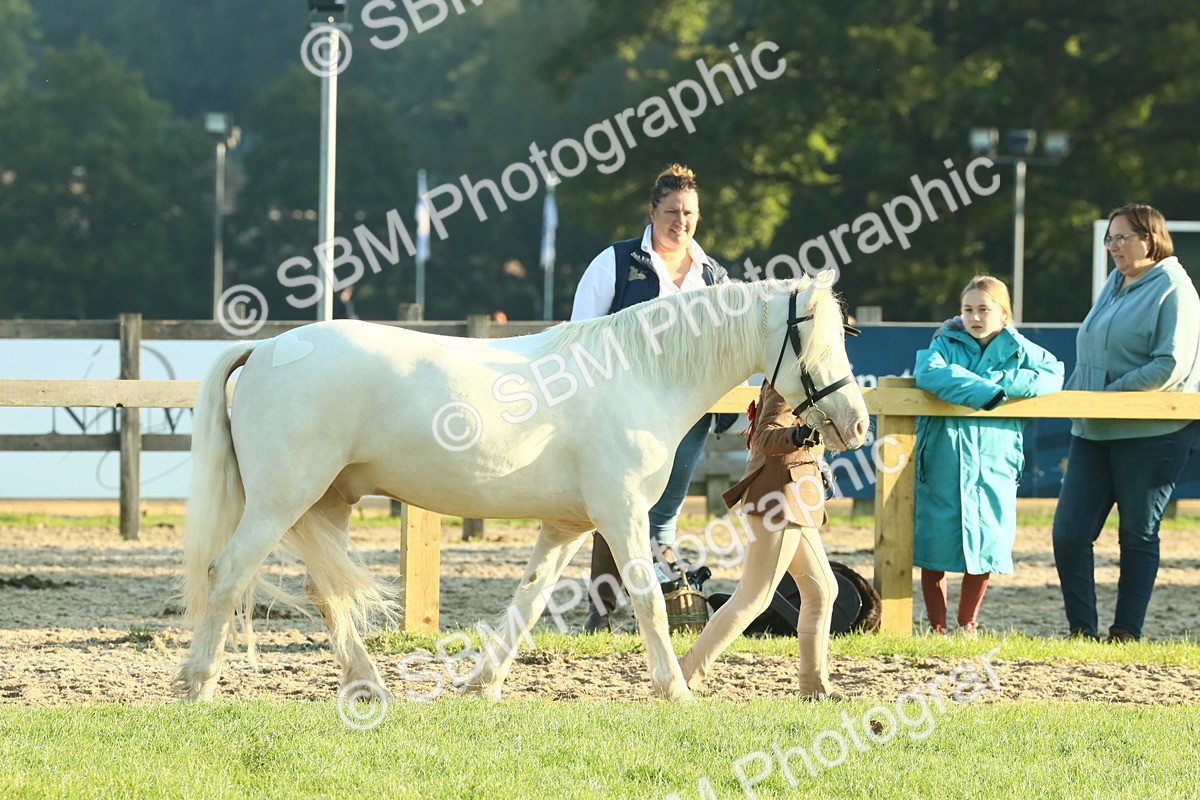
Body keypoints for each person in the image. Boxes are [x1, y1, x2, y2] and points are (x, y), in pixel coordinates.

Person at [570, 163, 731, 632]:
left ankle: (660, 615)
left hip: (688, 416)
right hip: (621, 414)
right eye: (672, 211)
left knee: (661, 515)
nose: (681, 221)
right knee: (617, 509)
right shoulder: (615, 262)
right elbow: (582, 334)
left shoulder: (713, 277)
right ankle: (600, 614)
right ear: (652, 212)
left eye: (690, 213)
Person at [1053, 204, 1200, 643]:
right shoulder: (1113, 284)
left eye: (1123, 238)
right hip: (1093, 430)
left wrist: (1107, 398)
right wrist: (1082, 400)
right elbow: (1092, 352)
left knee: (1137, 536)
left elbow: (1169, 366)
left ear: (1150, 239)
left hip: (1152, 434)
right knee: (1069, 533)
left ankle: (1126, 632)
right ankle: (1082, 630)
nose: (1114, 246)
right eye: (1110, 238)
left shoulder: (1175, 288)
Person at [913, 276, 1064, 636]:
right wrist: (987, 394)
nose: (975, 317)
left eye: (984, 309)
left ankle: (967, 624)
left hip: (995, 459)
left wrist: (1000, 383)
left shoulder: (1019, 348)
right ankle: (936, 627)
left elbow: (1052, 374)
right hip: (943, 457)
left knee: (985, 545)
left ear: (1004, 314)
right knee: (934, 544)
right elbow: (928, 373)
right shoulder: (945, 342)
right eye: (968, 309)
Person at [678, 380, 839, 699]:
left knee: (823, 591)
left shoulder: (811, 382)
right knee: (754, 597)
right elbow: (765, 437)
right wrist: (798, 436)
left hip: (796, 498)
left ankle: (814, 687)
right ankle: (683, 676)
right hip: (780, 498)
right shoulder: (788, 383)